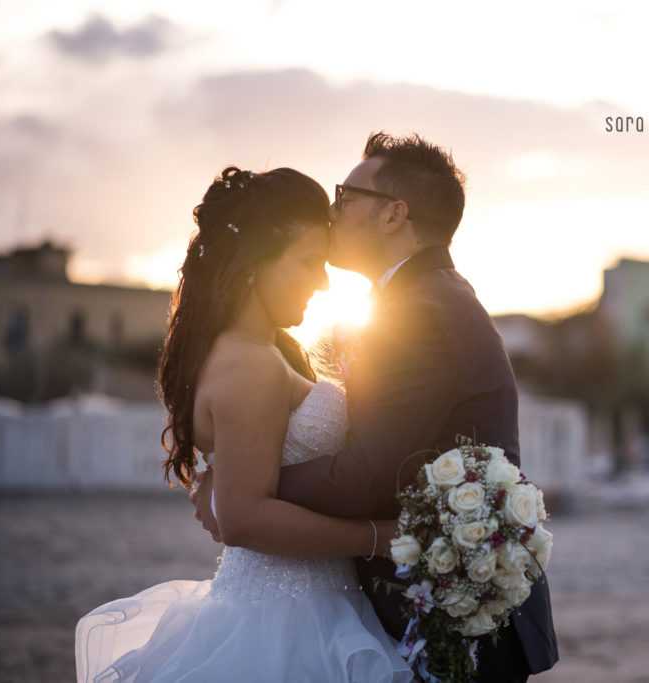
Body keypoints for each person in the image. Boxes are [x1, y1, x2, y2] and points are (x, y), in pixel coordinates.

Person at [193, 132, 559, 682]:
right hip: (443, 603)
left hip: (452, 619)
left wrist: (240, 487)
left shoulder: (416, 312)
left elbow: (370, 472)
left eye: (346, 196)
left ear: (394, 215)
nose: (333, 209)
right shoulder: (425, 297)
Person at [75, 166, 412, 683]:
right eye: (307, 262)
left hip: (299, 604)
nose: (322, 282)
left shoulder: (259, 351)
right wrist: (378, 537)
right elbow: (243, 520)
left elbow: (244, 482)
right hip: (286, 620)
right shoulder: (249, 365)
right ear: (255, 265)